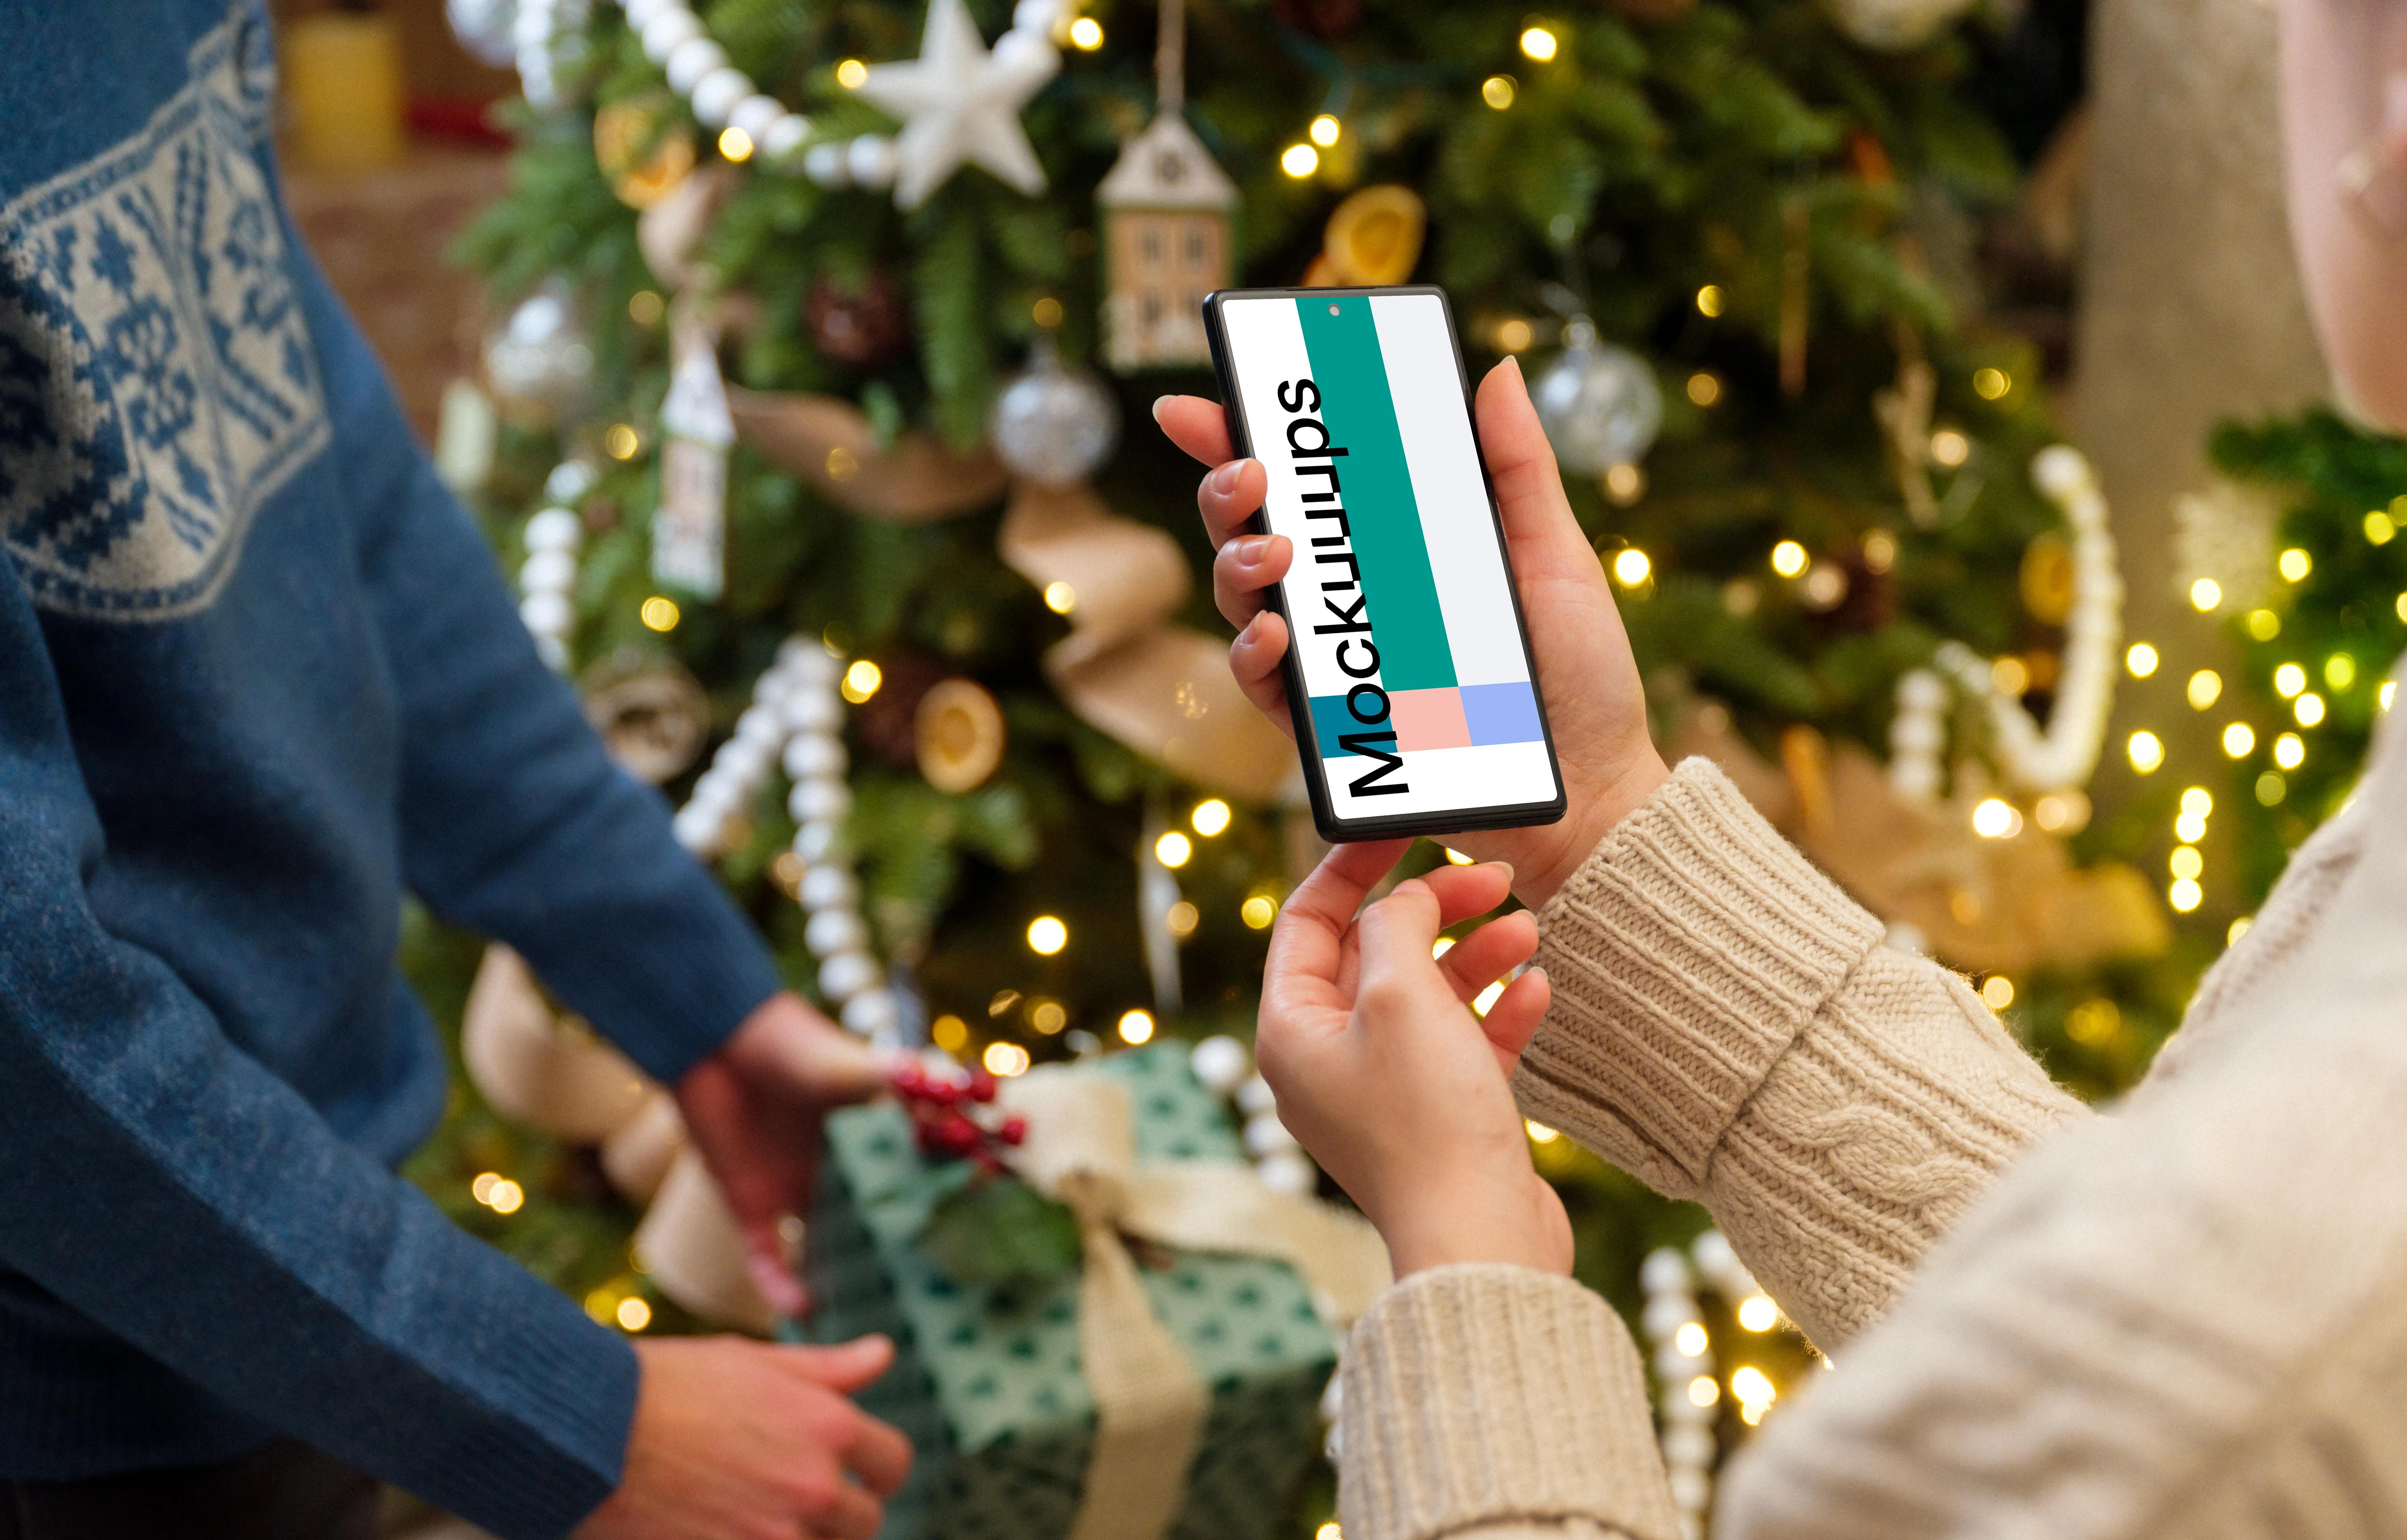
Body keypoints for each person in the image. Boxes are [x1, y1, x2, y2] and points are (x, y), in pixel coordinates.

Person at [1152, 19, 2407, 1516]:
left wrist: (1469, 1260)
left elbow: (2207, 1389)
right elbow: (2162, 1314)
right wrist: (1595, 825)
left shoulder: (2285, 1392)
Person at [0, 5, 906, 1538]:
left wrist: (690, 991)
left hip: (263, 1282)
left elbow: (329, 487)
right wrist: (563, 1416)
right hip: (82, 1385)